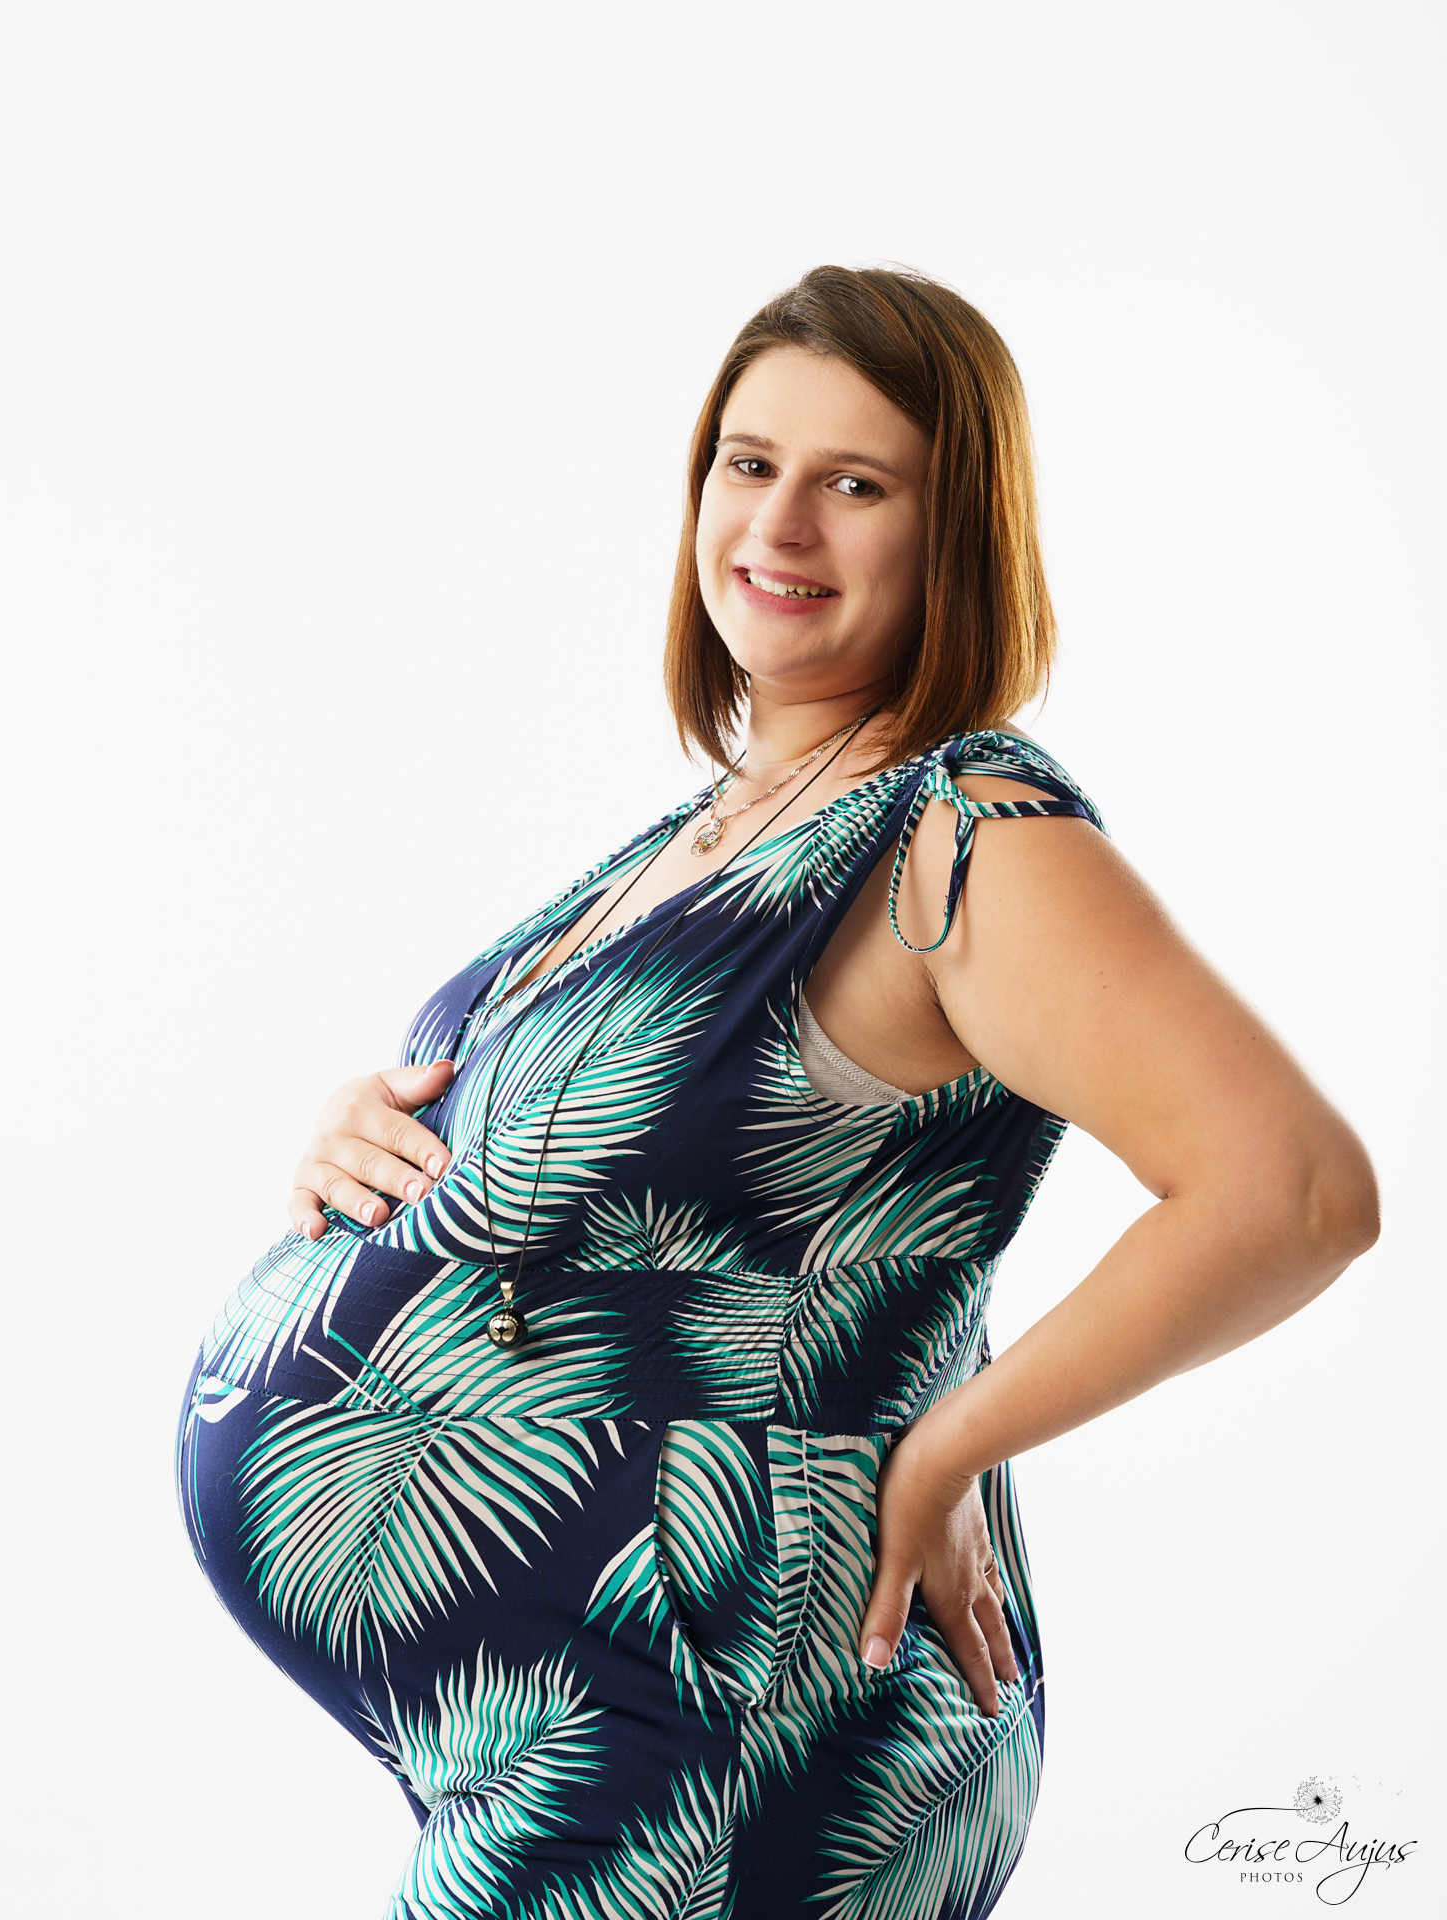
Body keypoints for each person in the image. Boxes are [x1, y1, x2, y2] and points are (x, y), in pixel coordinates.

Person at [177, 266, 1377, 1920]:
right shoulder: (738, 810)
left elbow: (1295, 1191)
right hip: (584, 1738)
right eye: (749, 464)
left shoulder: (968, 834)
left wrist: (951, 1444)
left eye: (856, 482)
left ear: (955, 532)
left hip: (729, 1743)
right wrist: (371, 1134)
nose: (781, 522)